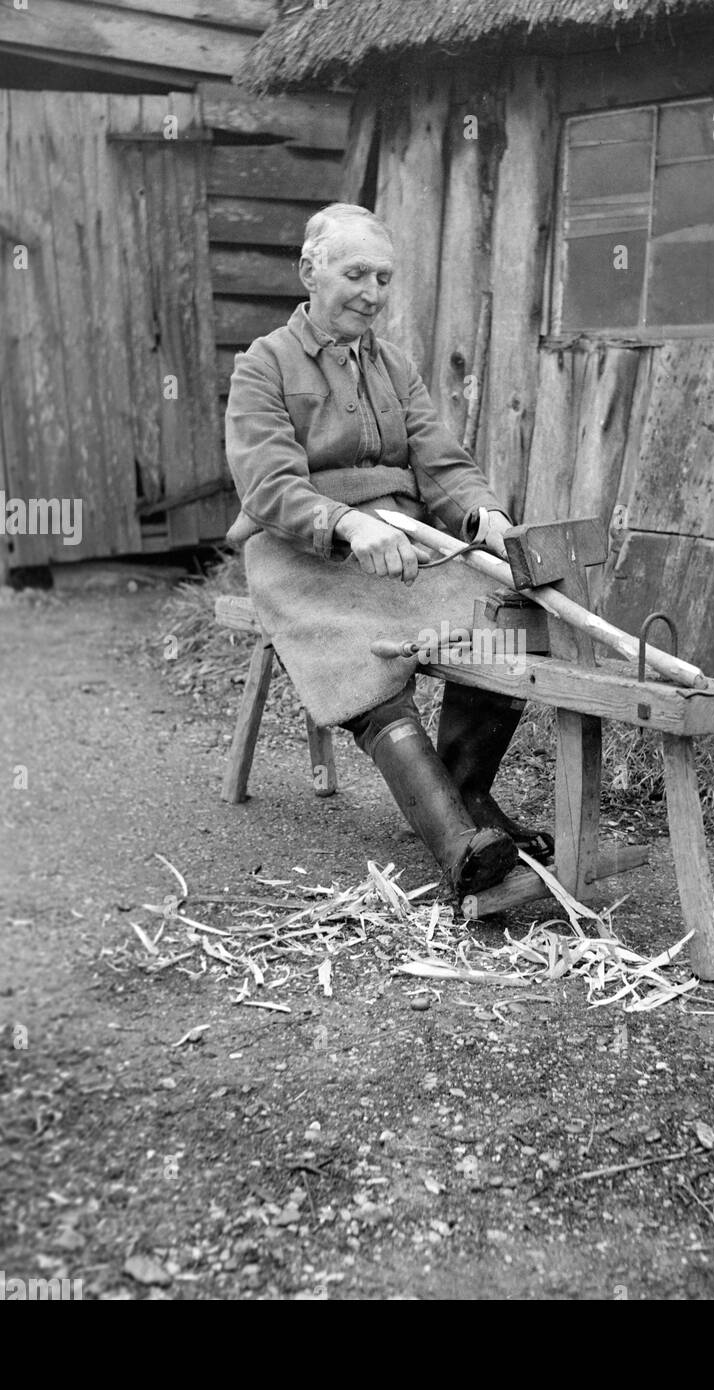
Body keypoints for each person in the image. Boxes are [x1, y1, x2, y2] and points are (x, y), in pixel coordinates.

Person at [225, 203, 549, 899]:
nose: (371, 294)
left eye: (383, 278)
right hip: (303, 557)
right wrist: (346, 522)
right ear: (310, 271)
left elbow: (441, 462)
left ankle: (467, 800)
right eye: (354, 274)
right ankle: (460, 847)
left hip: (405, 551)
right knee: (363, 654)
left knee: (507, 618)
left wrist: (481, 511)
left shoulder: (394, 367)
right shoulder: (264, 365)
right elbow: (268, 486)